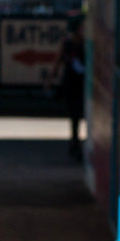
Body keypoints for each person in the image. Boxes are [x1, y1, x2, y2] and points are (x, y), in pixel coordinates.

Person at [52, 17, 85, 159]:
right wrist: (52, 77)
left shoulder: (83, 43)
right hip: (72, 84)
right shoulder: (70, 43)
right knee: (74, 114)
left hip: (80, 83)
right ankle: (75, 143)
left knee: (76, 114)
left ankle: (75, 143)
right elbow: (59, 60)